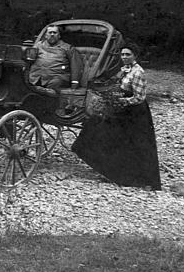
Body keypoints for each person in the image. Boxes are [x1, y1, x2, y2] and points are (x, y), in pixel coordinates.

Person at [71, 42, 162, 190]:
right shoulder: (126, 69)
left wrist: (121, 100)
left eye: (128, 54)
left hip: (135, 112)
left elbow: (139, 97)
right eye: (123, 54)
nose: (124, 57)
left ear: (135, 56)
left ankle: (134, 178)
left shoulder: (138, 72)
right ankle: (111, 170)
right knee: (97, 125)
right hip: (123, 108)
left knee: (132, 144)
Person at [28, 25, 83, 92]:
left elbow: (76, 66)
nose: (52, 34)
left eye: (55, 33)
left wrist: (75, 83)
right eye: (50, 32)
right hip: (37, 78)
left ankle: (44, 92)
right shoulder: (38, 46)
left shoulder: (68, 48)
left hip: (57, 79)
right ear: (46, 35)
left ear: (59, 36)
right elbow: (29, 61)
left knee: (55, 84)